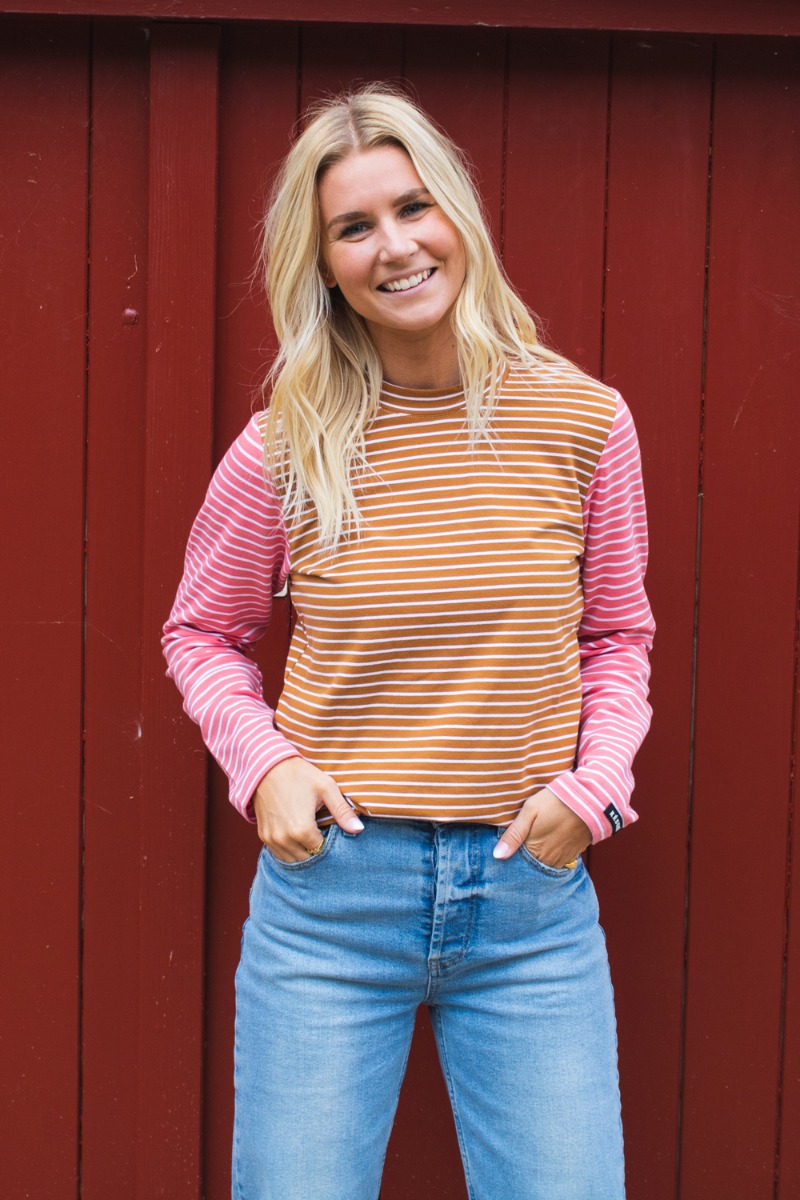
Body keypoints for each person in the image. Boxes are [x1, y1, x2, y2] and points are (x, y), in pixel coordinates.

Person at [163, 85, 654, 1200]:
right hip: (333, 907)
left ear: (457, 217)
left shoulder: (584, 421)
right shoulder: (285, 445)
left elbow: (617, 635)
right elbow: (202, 630)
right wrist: (265, 766)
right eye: (354, 226)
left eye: (412, 207)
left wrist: (595, 790)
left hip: (530, 906)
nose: (394, 246)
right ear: (325, 265)